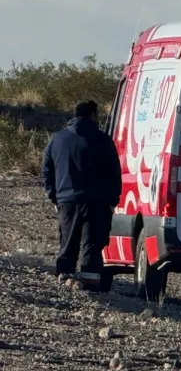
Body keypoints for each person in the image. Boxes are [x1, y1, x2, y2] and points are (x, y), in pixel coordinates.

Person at [41, 100, 122, 291]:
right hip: (97, 202)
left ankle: (65, 276)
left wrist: (54, 196)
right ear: (93, 115)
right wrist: (113, 201)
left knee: (68, 241)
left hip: (67, 200)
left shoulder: (57, 139)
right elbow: (114, 172)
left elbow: (46, 170)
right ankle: (89, 280)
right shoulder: (103, 140)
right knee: (92, 244)